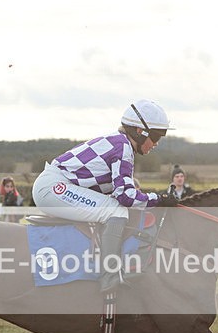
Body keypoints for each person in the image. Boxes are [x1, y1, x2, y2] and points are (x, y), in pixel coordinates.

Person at [32, 99, 178, 292]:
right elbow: (125, 197)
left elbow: (124, 193)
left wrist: (154, 199)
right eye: (156, 136)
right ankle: (110, 276)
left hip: (54, 185)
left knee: (114, 209)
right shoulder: (123, 147)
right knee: (116, 212)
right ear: (140, 132)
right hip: (53, 187)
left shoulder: (121, 144)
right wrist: (158, 199)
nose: (156, 143)